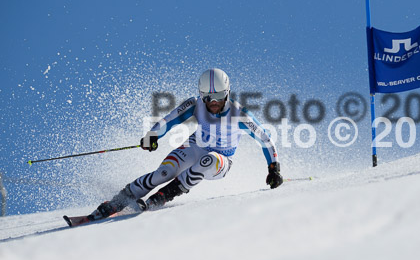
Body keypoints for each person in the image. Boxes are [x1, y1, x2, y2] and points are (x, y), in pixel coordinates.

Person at [87, 68, 283, 221]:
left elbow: (265, 139)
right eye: (207, 97)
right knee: (162, 173)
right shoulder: (195, 104)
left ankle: (164, 196)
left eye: (218, 97)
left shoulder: (239, 114)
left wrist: (273, 168)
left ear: (227, 93)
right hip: (195, 146)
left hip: (221, 160)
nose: (213, 102)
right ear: (201, 95)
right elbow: (169, 120)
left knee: (209, 160)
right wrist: (153, 136)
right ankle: (117, 201)